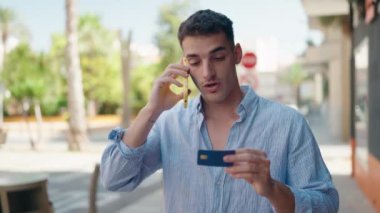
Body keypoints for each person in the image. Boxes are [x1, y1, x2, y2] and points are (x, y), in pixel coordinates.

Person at [101, 9, 339, 213]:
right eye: (194, 62)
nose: (207, 73)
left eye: (217, 57)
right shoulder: (169, 124)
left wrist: (273, 190)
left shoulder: (288, 124)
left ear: (236, 54)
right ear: (185, 65)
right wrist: (151, 111)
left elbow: (327, 204)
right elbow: (115, 179)